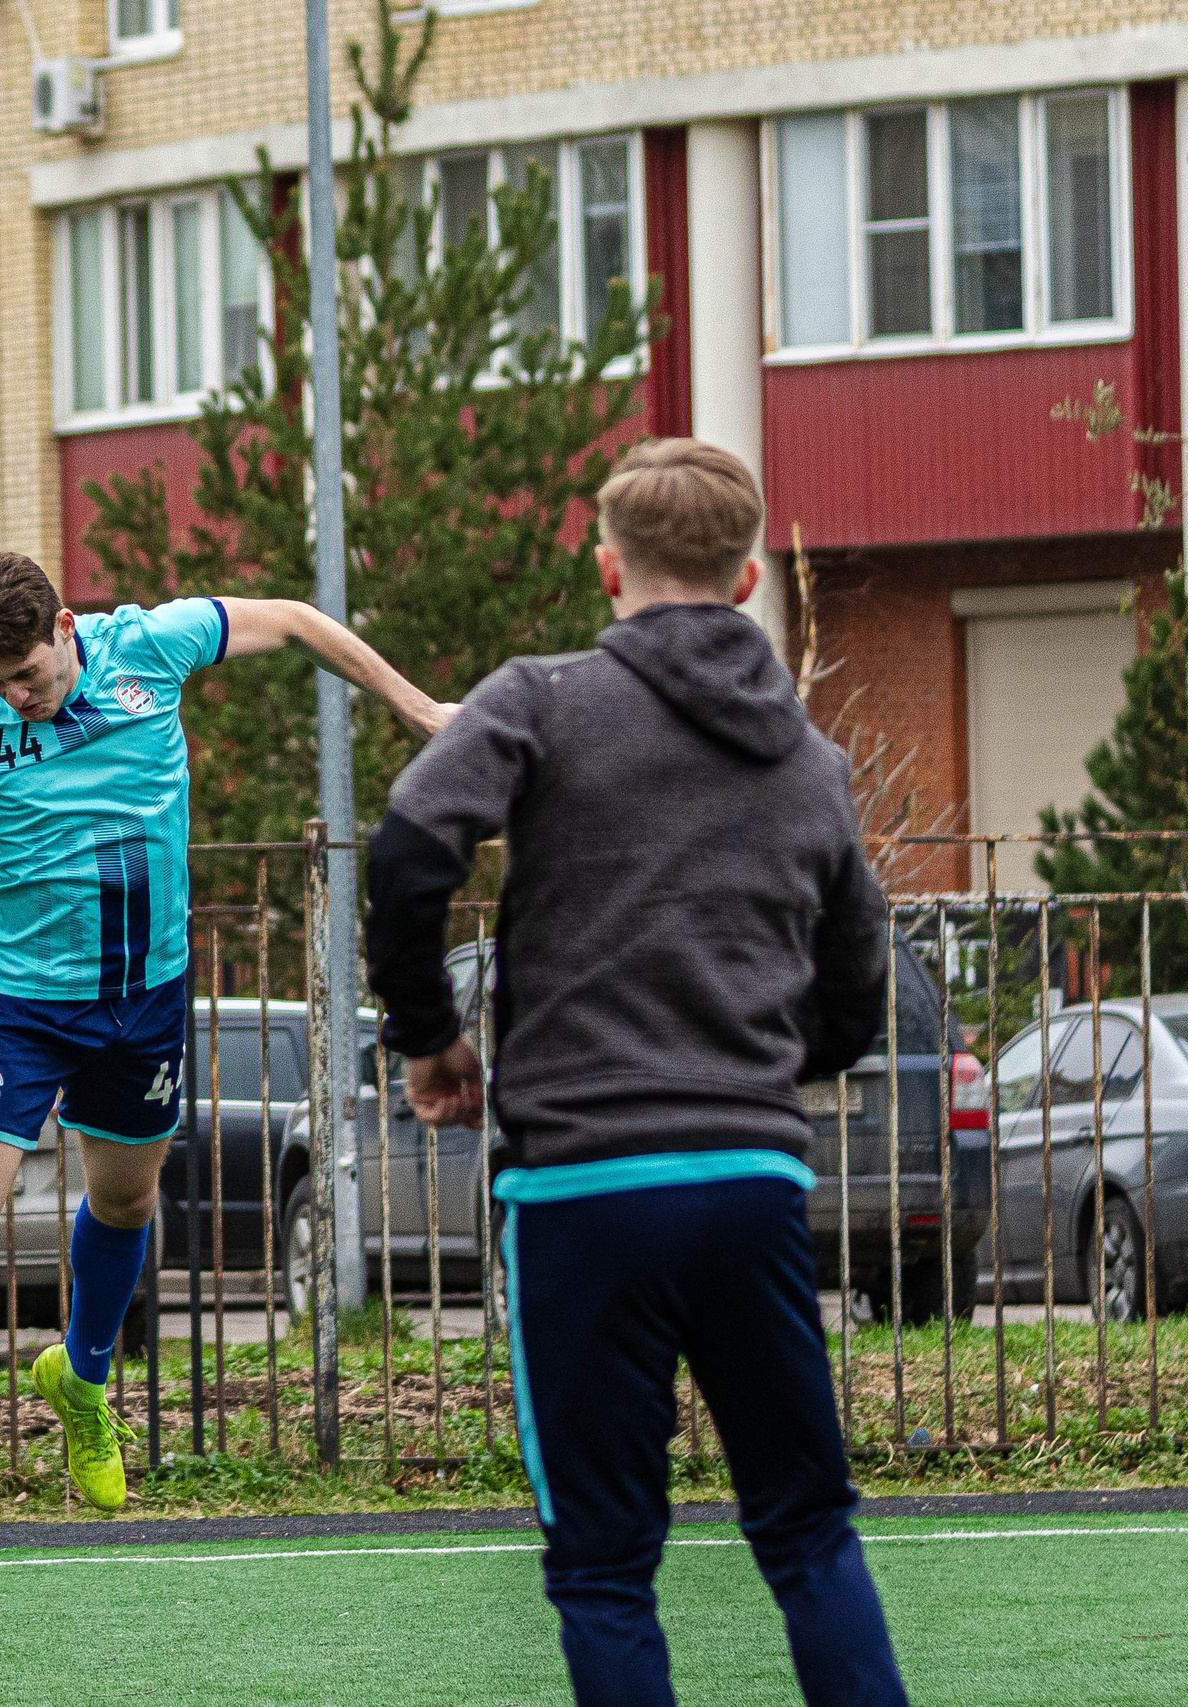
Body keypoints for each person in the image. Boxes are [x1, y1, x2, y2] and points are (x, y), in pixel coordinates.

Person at [365, 439, 906, 1706]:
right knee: (807, 1527)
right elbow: (856, 983)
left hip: (580, 1184)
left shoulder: (538, 702)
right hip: (747, 1180)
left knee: (604, 1563)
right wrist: (757, 1072)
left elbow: (408, 851)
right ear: (747, 577)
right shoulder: (810, 761)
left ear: (608, 567)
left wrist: (430, 1035)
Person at [0, 550, 452, 1508]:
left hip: (145, 997)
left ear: (65, 628)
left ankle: (80, 1383)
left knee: (127, 1201)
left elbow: (294, 617)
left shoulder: (150, 647)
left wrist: (419, 708)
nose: (16, 695)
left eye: (26, 673)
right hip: (23, 1005)